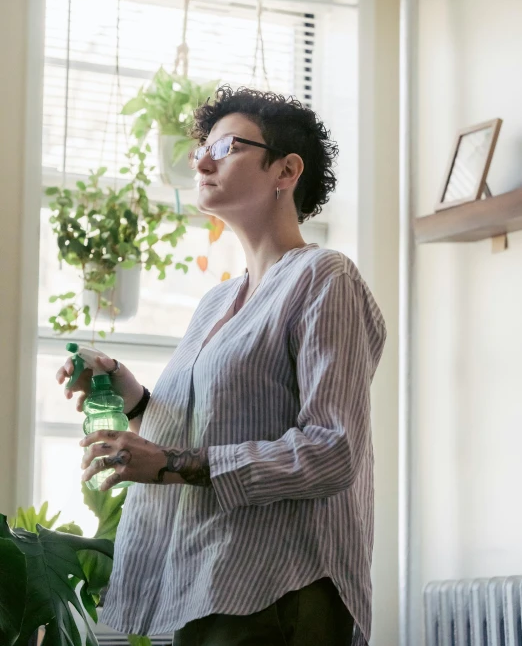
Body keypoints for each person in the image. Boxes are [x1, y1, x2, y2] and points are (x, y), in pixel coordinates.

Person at [57, 87, 386, 646]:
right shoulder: (217, 302)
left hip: (281, 590)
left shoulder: (324, 277)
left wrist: (166, 462)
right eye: (201, 150)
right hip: (204, 581)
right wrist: (134, 398)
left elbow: (333, 451)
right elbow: (204, 430)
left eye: (227, 146)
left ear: (286, 169)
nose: (203, 161)